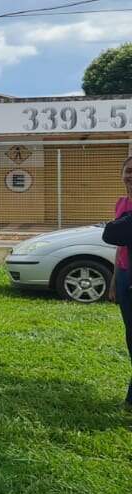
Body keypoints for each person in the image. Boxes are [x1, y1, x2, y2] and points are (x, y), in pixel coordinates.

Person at [108, 155, 132, 410]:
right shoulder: (122, 203)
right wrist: (115, 280)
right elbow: (119, 247)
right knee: (130, 335)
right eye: (128, 171)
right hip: (125, 274)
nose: (131, 175)